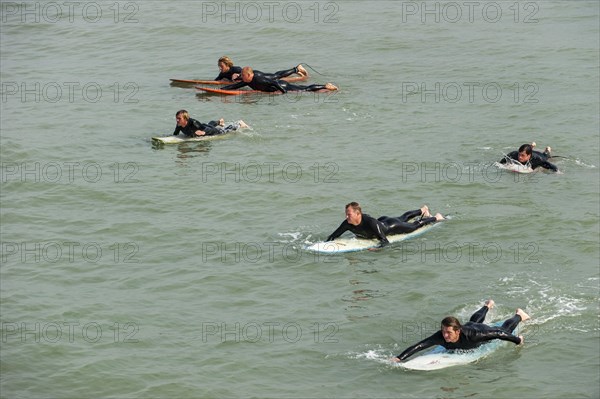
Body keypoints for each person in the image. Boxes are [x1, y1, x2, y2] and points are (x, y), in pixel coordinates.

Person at [391, 300, 529, 362]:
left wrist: (518, 340)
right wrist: (399, 358)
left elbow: (500, 334)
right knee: (473, 321)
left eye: (448, 332)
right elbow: (420, 345)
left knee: (502, 328)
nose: (445, 335)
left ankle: (519, 315)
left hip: (478, 330)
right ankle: (487, 305)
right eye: (443, 331)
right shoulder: (441, 336)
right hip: (470, 325)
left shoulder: (475, 336)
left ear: (457, 331)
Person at [326, 202, 444, 247]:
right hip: (383, 220)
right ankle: (422, 210)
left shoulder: (370, 223)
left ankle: (436, 217)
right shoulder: (347, 223)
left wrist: (376, 248)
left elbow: (384, 241)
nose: (346, 217)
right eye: (346, 214)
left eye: (349, 214)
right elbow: (334, 235)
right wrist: (326, 243)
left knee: (414, 226)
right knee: (402, 217)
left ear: (358, 214)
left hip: (391, 227)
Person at [221, 66, 337, 94]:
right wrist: (222, 89)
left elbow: (274, 82)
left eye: (242, 75)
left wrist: (283, 92)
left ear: (249, 75)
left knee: (304, 89)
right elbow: (235, 86)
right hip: (278, 86)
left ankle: (325, 86)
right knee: (303, 89)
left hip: (283, 86)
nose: (241, 77)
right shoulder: (248, 80)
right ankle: (296, 69)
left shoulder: (259, 79)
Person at [214, 56, 308, 82]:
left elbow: (245, 73)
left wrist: (238, 75)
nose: (220, 68)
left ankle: (296, 69)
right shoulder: (222, 73)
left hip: (258, 76)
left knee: (276, 76)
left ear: (227, 65)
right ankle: (296, 72)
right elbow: (215, 81)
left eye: (221, 66)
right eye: (219, 66)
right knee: (276, 76)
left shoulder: (236, 69)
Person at [172, 110, 248, 137]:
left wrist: (203, 132)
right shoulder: (179, 125)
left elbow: (209, 130)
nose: (177, 120)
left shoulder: (194, 122)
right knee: (208, 124)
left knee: (224, 131)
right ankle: (219, 122)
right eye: (177, 118)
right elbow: (175, 134)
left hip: (210, 130)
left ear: (185, 119)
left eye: (179, 118)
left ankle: (239, 124)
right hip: (203, 126)